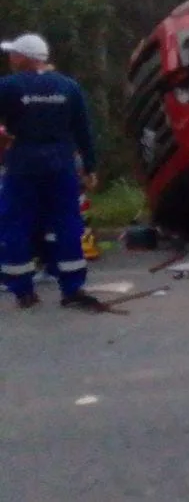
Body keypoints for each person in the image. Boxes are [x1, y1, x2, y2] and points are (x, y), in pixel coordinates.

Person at [0, 33, 104, 311]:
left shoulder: (8, 86)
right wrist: (90, 167)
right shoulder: (68, 87)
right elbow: (83, 130)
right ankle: (72, 288)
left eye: (13, 54)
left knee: (16, 224)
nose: (10, 59)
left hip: (22, 163)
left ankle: (23, 291)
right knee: (66, 223)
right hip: (61, 164)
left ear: (24, 58)